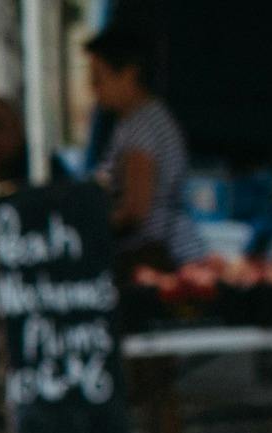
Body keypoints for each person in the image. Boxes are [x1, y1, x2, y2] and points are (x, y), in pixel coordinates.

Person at [84, 26, 203, 272]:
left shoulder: (141, 126)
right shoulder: (142, 120)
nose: (93, 89)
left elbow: (135, 210)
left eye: (98, 78)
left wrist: (85, 227)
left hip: (164, 260)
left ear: (129, 74)